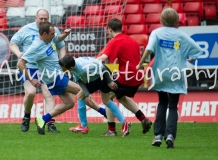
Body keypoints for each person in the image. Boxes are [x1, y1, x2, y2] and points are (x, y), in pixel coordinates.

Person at [17, 22, 105, 135]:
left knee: (69, 103)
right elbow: (20, 63)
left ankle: (43, 119)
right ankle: (105, 113)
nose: (54, 35)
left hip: (57, 76)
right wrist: (31, 79)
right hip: (54, 78)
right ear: (44, 34)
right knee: (82, 91)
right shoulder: (35, 47)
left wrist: (64, 35)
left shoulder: (49, 39)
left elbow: (57, 39)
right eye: (52, 33)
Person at [136, 7, 202, 148]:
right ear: (176, 21)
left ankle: (158, 135)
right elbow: (197, 49)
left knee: (162, 103)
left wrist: (140, 64)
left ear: (161, 19)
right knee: (172, 106)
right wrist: (192, 58)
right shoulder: (181, 35)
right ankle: (170, 135)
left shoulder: (156, 33)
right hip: (176, 73)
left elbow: (149, 48)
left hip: (161, 73)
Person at [9, 9, 64, 133]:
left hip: (46, 68)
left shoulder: (53, 31)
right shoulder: (25, 30)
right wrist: (19, 53)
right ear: (36, 18)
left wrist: (62, 60)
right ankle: (26, 117)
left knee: (48, 94)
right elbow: (12, 43)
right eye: (41, 18)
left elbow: (61, 46)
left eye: (46, 18)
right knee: (31, 92)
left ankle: (50, 122)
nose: (43, 20)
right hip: (29, 67)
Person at [97, 18, 152, 136]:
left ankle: (112, 129)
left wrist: (88, 64)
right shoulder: (132, 40)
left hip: (127, 77)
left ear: (109, 29)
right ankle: (143, 119)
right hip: (137, 77)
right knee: (120, 96)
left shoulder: (115, 41)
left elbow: (104, 57)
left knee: (107, 97)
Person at [59, 56, 131, 137]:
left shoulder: (84, 68)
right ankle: (125, 123)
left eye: (62, 67)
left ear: (71, 67)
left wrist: (110, 81)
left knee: (79, 96)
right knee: (106, 101)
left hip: (99, 79)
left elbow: (103, 68)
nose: (61, 68)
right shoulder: (73, 65)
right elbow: (79, 80)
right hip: (97, 78)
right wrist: (87, 94)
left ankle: (83, 126)